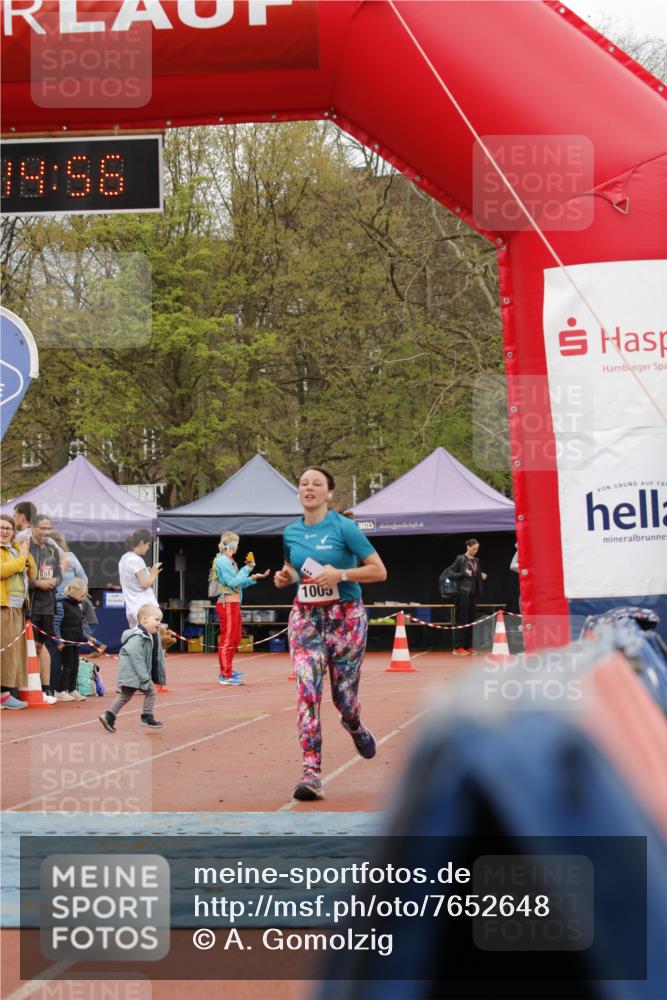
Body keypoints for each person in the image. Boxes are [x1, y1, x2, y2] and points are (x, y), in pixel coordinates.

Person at [274, 467, 387, 801]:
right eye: (304, 484)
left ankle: (353, 723)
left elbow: (379, 570)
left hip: (346, 618)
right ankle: (311, 772)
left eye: (316, 484)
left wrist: (342, 573)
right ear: (299, 493)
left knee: (343, 698)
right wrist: (287, 576)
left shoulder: (345, 528)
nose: (309, 488)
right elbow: (294, 567)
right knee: (307, 690)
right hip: (306, 619)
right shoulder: (290, 531)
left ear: (329, 493)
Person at [98, 603, 166, 733]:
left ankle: (109, 716)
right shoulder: (137, 637)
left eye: (160, 620)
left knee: (125, 696)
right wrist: (145, 677)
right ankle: (146, 717)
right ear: (144, 619)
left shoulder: (146, 635)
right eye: (156, 620)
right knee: (151, 692)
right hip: (134, 674)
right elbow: (136, 658)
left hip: (133, 674)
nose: (159, 623)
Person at [213, 532, 269, 686]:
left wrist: (252, 577)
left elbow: (238, 583)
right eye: (236, 542)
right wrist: (247, 569)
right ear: (230, 544)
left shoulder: (229, 560)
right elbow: (232, 582)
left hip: (234, 603)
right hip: (227, 603)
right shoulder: (223, 561)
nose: (237, 545)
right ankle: (225, 674)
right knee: (228, 638)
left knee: (236, 637)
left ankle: (228, 670)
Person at [0, 514, 37, 709]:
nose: (4, 531)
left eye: (8, 528)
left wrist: (25, 552)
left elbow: (33, 574)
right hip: (2, 606)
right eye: (1, 527)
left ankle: (5, 694)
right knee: (3, 651)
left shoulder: (15, 550)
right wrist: (22, 557)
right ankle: (3, 695)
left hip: (17, 607)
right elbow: (2, 570)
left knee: (11, 652)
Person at [28, 514, 62, 697]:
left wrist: (55, 580)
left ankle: (46, 687)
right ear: (33, 527)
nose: (46, 532)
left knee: (43, 646)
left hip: (48, 605)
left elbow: (59, 573)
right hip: (31, 604)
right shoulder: (25, 547)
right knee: (30, 646)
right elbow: (20, 575)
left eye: (49, 528)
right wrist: (36, 584)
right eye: (43, 528)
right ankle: (27, 688)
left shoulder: (51, 549)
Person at [53, 578, 93, 702]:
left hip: (76, 642)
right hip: (66, 642)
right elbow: (56, 624)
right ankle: (60, 690)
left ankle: (72, 689)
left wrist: (86, 637)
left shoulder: (77, 605)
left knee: (75, 666)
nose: (83, 596)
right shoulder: (61, 604)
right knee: (67, 666)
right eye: (82, 594)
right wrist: (58, 640)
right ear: (74, 592)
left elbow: (79, 625)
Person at [448, 538, 487, 655]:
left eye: (477, 549)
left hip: (473, 594)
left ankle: (468, 646)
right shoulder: (460, 559)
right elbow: (451, 574)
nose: (475, 551)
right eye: (474, 549)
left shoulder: (476, 561)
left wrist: (481, 575)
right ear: (468, 547)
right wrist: (463, 574)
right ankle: (458, 648)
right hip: (463, 594)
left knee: (471, 621)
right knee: (462, 620)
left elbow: (475, 575)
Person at [118, 529, 160, 629]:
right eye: (148, 544)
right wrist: (154, 573)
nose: (148, 548)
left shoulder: (124, 558)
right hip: (145, 607)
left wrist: (147, 572)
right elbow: (144, 584)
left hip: (132, 607)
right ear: (141, 542)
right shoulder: (137, 559)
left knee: (138, 637)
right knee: (151, 640)